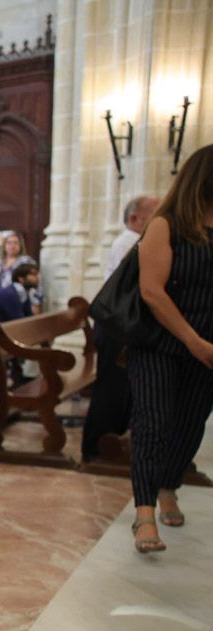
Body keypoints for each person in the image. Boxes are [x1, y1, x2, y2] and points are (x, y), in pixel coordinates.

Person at [126, 145, 213, 554]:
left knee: (190, 425)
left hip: (208, 347)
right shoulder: (167, 224)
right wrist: (192, 341)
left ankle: (168, 485)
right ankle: (144, 513)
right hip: (161, 342)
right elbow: (152, 292)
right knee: (153, 423)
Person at [82, 195, 161, 462]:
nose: (161, 218)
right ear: (135, 218)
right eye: (155, 212)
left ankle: (112, 441)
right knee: (110, 389)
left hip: (121, 327)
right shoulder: (129, 242)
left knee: (121, 390)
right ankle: (95, 447)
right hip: (116, 326)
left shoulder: (137, 241)